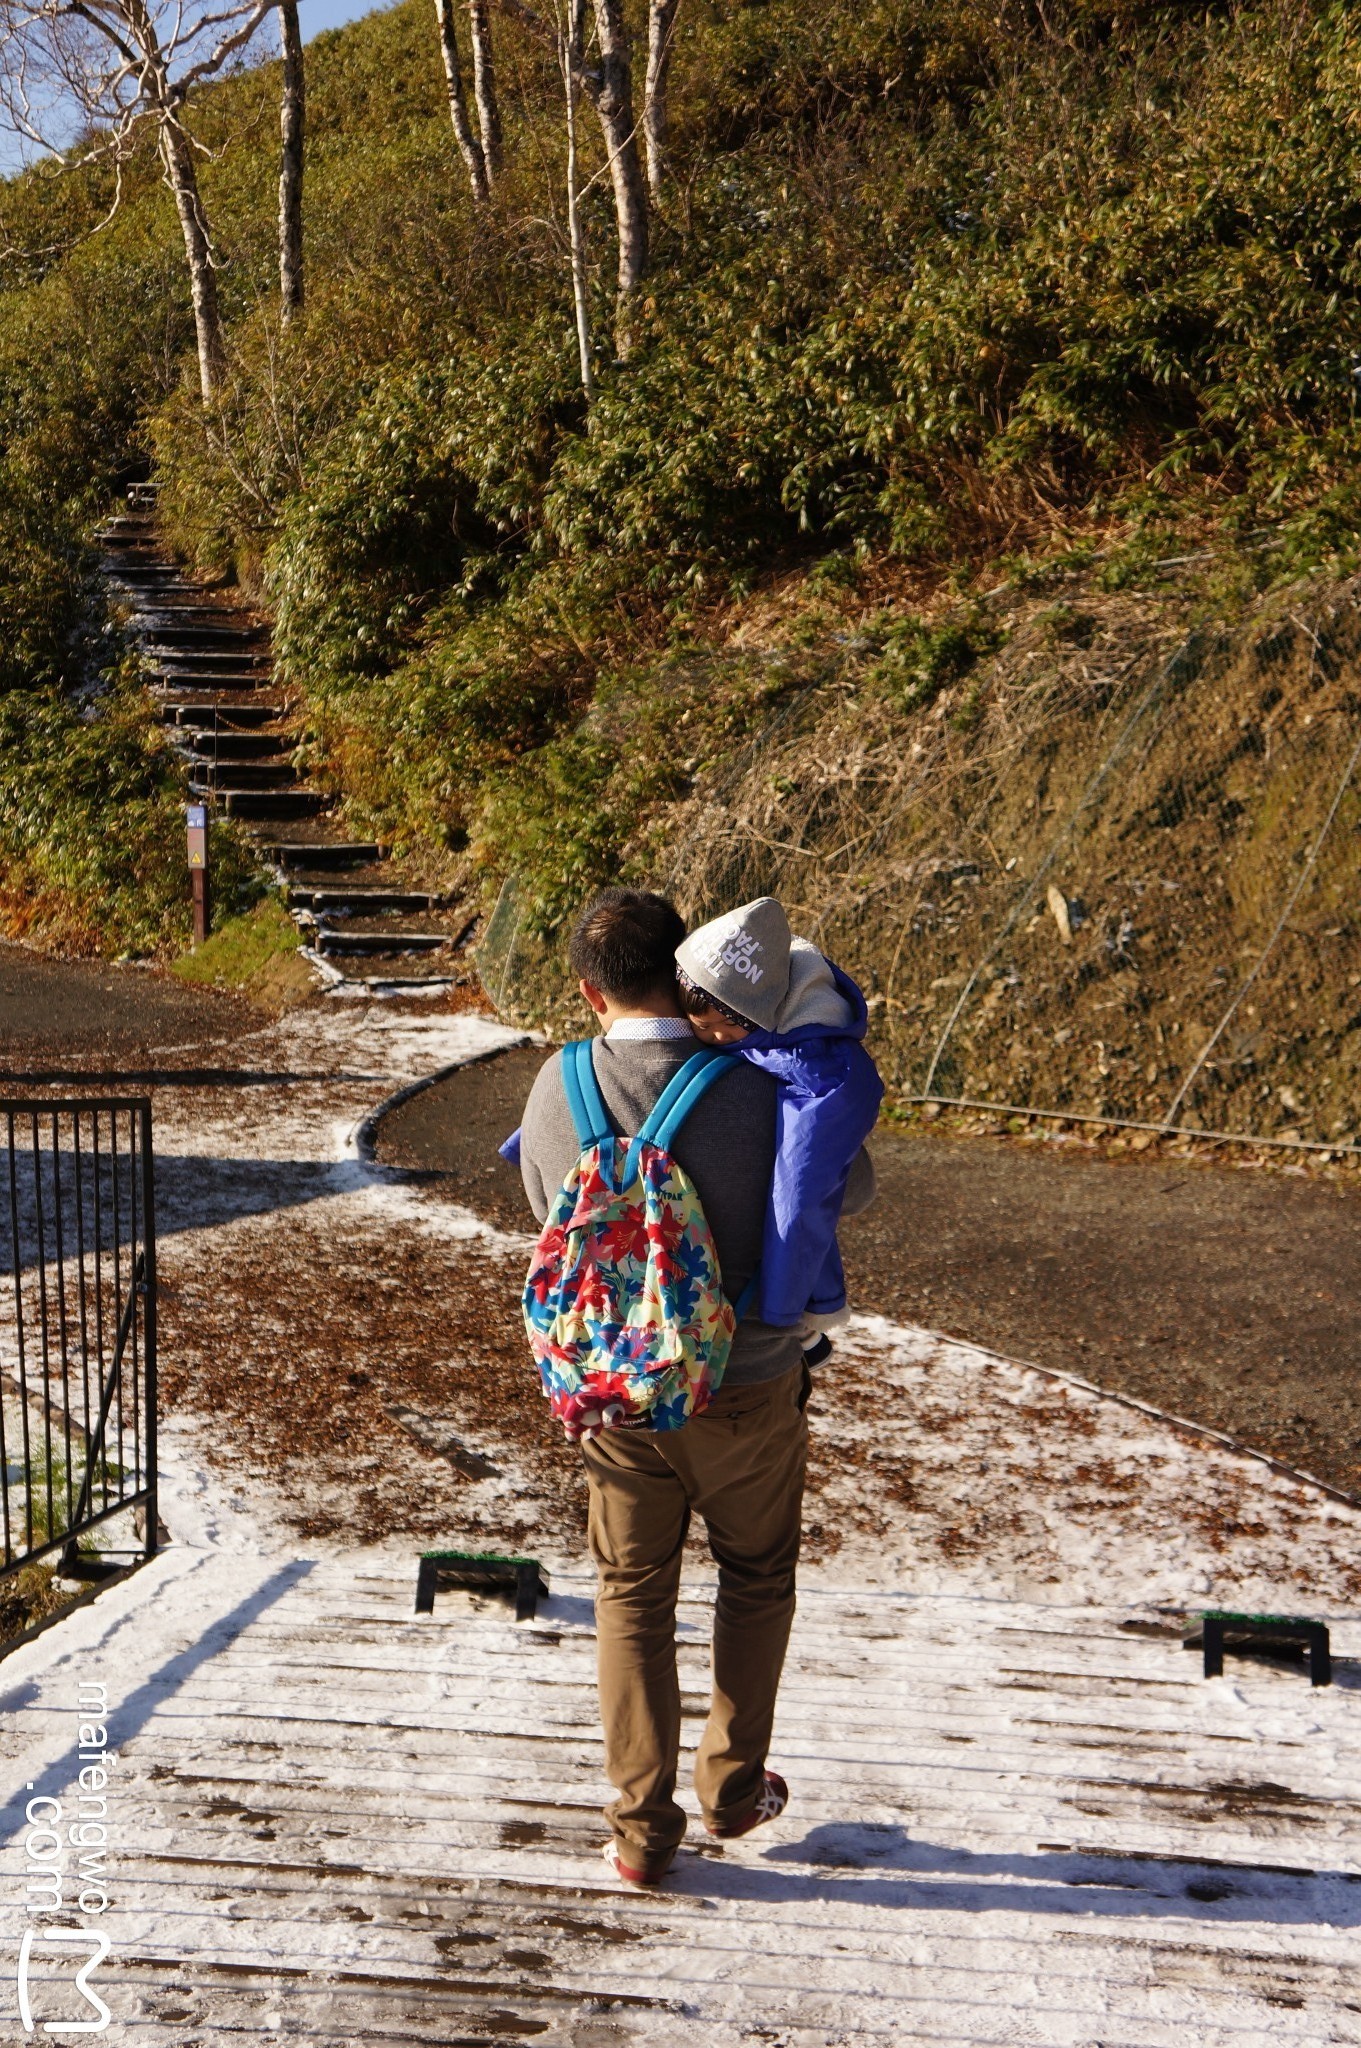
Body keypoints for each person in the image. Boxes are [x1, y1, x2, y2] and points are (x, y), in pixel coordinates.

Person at [516, 887, 876, 1886]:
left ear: (589, 992)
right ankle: (730, 1784)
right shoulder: (761, 1080)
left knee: (631, 1593)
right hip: (750, 1379)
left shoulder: (556, 1085)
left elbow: (546, 1212)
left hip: (620, 1398)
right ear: (684, 967)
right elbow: (845, 1183)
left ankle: (638, 1829)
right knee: (755, 1573)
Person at [674, 896, 884, 1368]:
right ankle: (809, 1316)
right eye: (699, 1026)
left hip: (830, 1102)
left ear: (754, 1016)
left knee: (794, 1199)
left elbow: (801, 1194)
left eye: (721, 1029)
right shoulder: (765, 1015)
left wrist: (781, 1311)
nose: (710, 1038)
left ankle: (804, 1320)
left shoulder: (812, 1068)